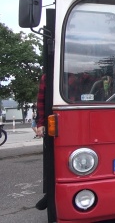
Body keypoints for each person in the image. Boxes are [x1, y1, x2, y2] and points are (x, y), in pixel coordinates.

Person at [35, 74, 47, 210]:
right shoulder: (48, 75)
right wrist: (40, 123)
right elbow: (41, 101)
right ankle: (50, 192)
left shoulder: (86, 75)